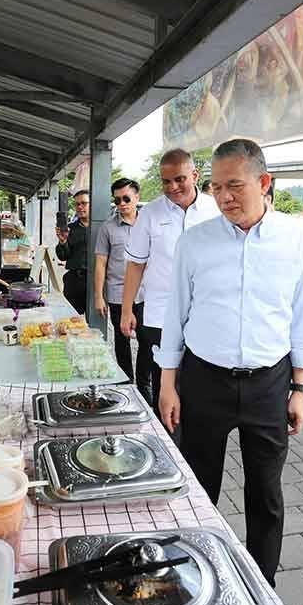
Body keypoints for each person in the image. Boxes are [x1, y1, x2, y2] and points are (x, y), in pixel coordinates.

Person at [154, 139, 303, 586]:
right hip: (204, 380)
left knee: (265, 493)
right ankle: (189, 576)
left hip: (269, 383)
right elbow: (176, 314)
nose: (224, 196)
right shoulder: (196, 241)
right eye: (216, 187)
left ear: (264, 183)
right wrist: (168, 384)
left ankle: (262, 584)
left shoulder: (295, 237)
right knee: (197, 488)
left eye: (235, 185)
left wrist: (300, 388)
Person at [121, 149, 219, 427]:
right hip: (161, 313)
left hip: (206, 313)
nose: (172, 187)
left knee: (202, 378)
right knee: (165, 380)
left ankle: (198, 429)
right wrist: (127, 309)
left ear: (195, 176)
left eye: (179, 179)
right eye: (166, 181)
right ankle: (167, 435)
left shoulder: (216, 210)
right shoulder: (150, 214)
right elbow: (135, 264)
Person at [94, 178, 148, 399]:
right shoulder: (108, 228)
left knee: (147, 341)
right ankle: (126, 385)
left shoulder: (149, 224)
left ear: (136, 197)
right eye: (117, 200)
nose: (122, 204)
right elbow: (100, 263)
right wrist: (99, 296)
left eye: (126, 198)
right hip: (116, 294)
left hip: (146, 295)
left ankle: (145, 389)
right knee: (122, 340)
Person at [55, 189, 90, 315]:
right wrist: (63, 242)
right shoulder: (70, 229)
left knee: (96, 322)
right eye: (77, 204)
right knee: (71, 321)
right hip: (74, 281)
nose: (80, 207)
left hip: (95, 281)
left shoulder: (102, 228)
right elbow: (63, 256)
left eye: (84, 203)